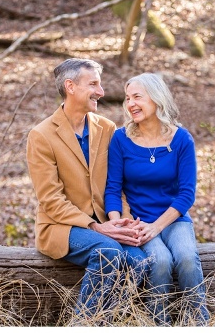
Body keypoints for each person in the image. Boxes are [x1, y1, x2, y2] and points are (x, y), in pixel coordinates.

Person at [26, 58, 148, 318]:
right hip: (61, 227)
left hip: (106, 221)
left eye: (100, 84)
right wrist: (95, 227)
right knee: (107, 252)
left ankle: (108, 322)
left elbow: (117, 184)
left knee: (140, 260)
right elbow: (50, 199)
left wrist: (123, 222)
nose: (101, 92)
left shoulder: (107, 128)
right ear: (70, 86)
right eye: (93, 84)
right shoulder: (41, 135)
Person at [104, 73, 209, 326]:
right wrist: (118, 225)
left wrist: (157, 227)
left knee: (185, 257)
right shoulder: (121, 139)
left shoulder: (181, 139)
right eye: (128, 98)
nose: (130, 104)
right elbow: (112, 188)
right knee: (159, 261)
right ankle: (158, 323)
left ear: (157, 98)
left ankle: (197, 322)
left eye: (137, 97)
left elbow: (187, 194)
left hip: (174, 220)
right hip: (138, 222)